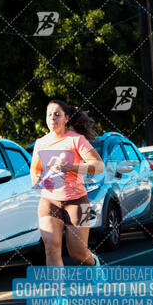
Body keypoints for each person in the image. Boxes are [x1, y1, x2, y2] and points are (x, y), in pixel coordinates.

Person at [30, 100, 105, 279]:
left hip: (79, 200)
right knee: (51, 246)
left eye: (57, 114)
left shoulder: (76, 140)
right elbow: (35, 170)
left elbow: (99, 166)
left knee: (78, 253)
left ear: (66, 118)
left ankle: (93, 263)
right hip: (49, 200)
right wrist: (37, 180)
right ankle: (58, 295)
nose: (52, 118)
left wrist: (72, 167)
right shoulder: (40, 143)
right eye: (49, 115)